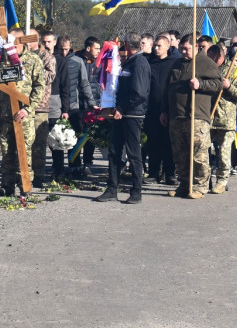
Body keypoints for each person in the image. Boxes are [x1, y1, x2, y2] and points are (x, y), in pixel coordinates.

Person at [161, 34, 224, 199]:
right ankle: (184, 184)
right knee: (180, 154)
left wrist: (200, 84)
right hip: (177, 116)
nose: (183, 51)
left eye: (187, 48)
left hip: (196, 116)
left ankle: (200, 186)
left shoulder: (205, 63)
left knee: (198, 154)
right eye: (181, 48)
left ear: (196, 47)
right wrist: (164, 110)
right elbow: (168, 89)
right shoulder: (177, 63)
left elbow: (218, 84)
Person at [0, 27, 46, 197]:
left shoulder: (33, 60)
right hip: (5, 115)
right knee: (6, 152)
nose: (7, 45)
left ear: (21, 42)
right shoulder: (1, 60)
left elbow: (39, 88)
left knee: (23, 152)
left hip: (24, 116)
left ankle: (25, 186)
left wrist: (28, 109)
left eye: (11, 41)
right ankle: (7, 186)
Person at [95, 38, 150, 204]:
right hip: (121, 113)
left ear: (127, 46)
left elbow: (139, 93)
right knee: (114, 151)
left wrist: (122, 108)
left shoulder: (139, 63)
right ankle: (112, 189)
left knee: (133, 153)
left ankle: (136, 191)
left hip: (132, 114)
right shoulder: (130, 62)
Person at [56, 35, 99, 184]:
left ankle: (75, 167)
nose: (63, 52)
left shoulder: (77, 61)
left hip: (73, 106)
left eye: (66, 49)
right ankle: (58, 170)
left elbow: (85, 84)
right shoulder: (53, 60)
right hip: (56, 105)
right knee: (57, 140)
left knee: (73, 139)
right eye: (60, 49)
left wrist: (91, 102)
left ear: (70, 46)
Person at [206, 43, 237, 193]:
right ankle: (205, 180)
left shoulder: (233, 70)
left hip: (226, 120)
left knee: (224, 153)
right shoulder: (206, 69)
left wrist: (229, 86)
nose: (210, 61)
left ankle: (222, 181)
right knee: (204, 152)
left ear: (221, 57)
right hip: (208, 117)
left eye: (213, 59)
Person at [143, 32, 180, 185]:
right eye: (155, 46)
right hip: (151, 109)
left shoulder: (175, 62)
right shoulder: (149, 62)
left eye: (159, 46)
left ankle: (170, 173)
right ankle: (153, 173)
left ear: (167, 47)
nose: (156, 48)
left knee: (168, 143)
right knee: (153, 142)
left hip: (168, 109)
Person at [30, 30, 58, 189]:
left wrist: (32, 72)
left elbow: (50, 76)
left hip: (40, 106)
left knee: (39, 144)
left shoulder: (47, 56)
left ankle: (39, 175)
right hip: (24, 105)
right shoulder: (23, 55)